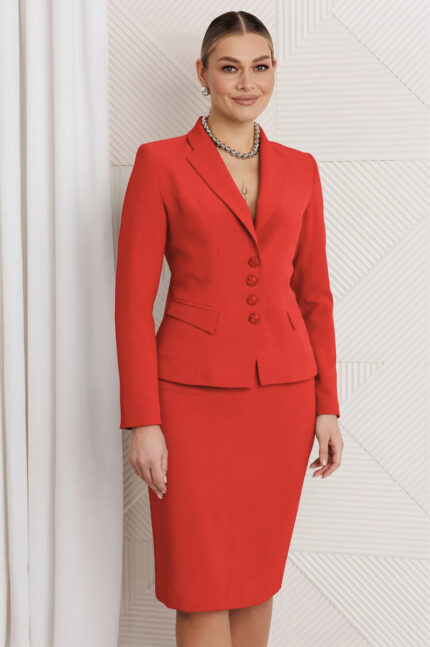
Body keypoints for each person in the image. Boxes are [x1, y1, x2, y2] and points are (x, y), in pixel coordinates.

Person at [114, 10, 344, 647]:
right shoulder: (160, 162)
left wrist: (327, 405)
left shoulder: (301, 168)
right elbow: (131, 303)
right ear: (203, 72)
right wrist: (143, 420)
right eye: (230, 67)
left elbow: (315, 296)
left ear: (274, 71)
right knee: (199, 587)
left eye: (260, 67)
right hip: (189, 402)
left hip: (283, 400)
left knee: (255, 580)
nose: (247, 83)